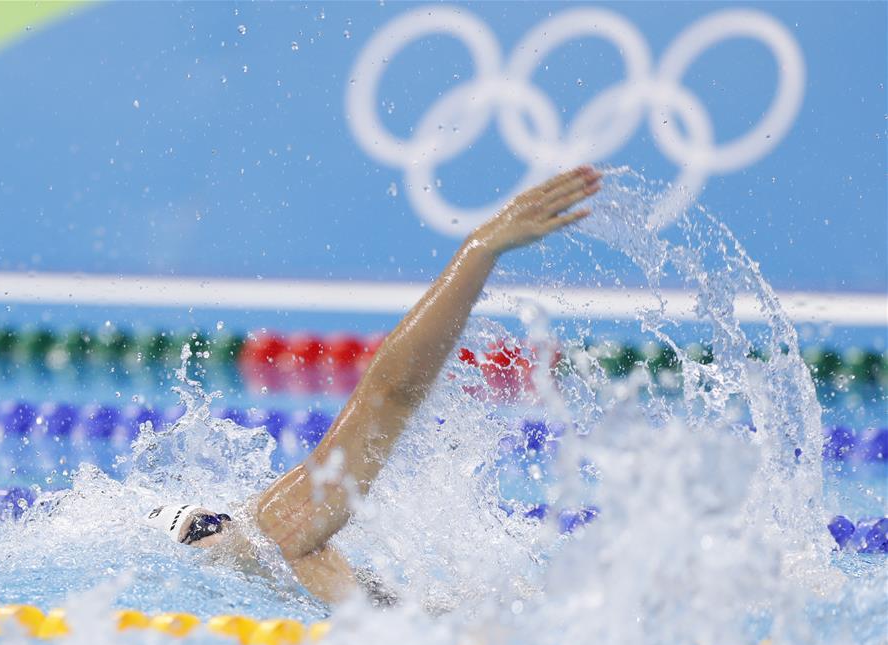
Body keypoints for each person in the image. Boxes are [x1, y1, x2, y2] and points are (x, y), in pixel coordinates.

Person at [144, 166, 603, 604]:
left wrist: (479, 250)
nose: (217, 527)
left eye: (208, 522)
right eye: (205, 525)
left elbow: (390, 394)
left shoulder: (274, 532)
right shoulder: (276, 554)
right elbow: (389, 397)